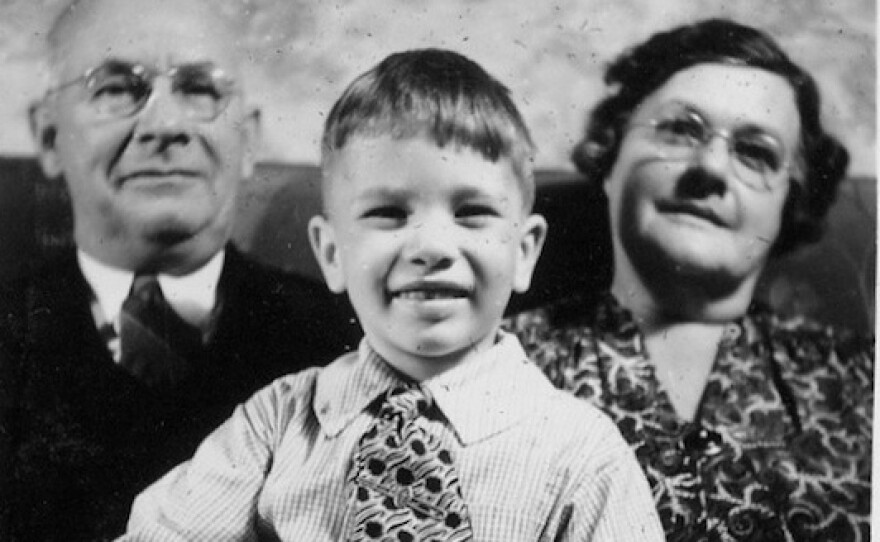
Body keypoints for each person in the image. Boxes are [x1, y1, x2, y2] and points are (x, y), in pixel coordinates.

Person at [120, 48, 664, 541]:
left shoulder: (581, 453)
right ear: (332, 254)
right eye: (388, 213)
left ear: (524, 252)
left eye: (472, 213)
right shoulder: (279, 422)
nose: (430, 246)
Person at [0, 0, 357, 540]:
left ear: (249, 141)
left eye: (199, 89)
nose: (165, 125)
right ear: (49, 136)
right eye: (117, 88)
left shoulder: (344, 347)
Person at [505, 18, 873, 542]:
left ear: (789, 205)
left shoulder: (864, 384)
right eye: (681, 129)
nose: (712, 167)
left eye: (756, 152)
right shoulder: (492, 371)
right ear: (610, 160)